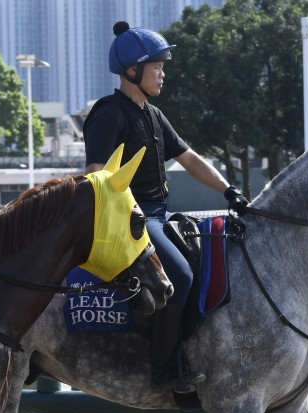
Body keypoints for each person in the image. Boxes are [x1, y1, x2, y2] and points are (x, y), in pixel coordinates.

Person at [83, 21, 250, 391]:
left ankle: (189, 349)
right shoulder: (108, 114)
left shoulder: (154, 115)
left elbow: (189, 159)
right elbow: (96, 176)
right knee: (182, 277)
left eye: (162, 67)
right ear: (132, 70)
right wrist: (127, 218)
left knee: (212, 262)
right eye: (156, 66)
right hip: (133, 219)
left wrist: (229, 191)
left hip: (161, 214)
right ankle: (162, 369)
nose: (163, 73)